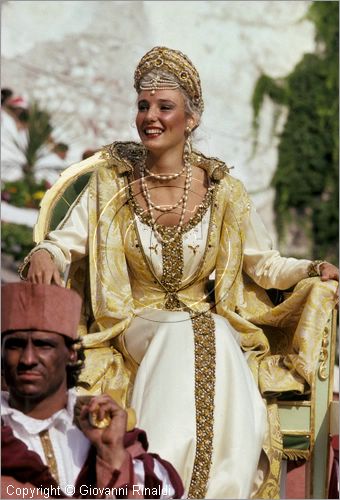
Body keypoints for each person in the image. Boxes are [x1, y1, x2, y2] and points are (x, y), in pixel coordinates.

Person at [20, 46, 339, 499]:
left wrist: (311, 269)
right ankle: (161, 482)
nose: (150, 116)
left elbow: (263, 263)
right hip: (133, 324)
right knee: (191, 327)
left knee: (208, 327)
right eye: (143, 106)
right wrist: (46, 252)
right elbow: (65, 241)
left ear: (190, 119)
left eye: (164, 107)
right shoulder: (112, 183)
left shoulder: (224, 191)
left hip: (207, 327)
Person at [1, 282, 184, 499]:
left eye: (43, 345)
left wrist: (112, 455)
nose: (28, 359)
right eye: (15, 345)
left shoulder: (105, 426)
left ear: (70, 353)